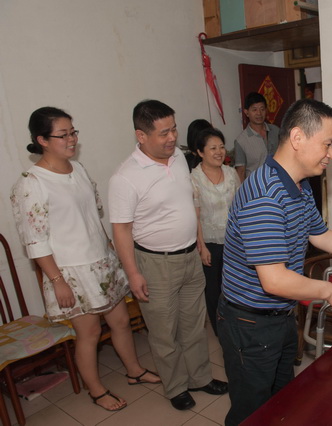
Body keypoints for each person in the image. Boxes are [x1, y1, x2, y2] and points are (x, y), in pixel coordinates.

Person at [218, 98, 332, 425]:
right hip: (250, 322)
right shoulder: (264, 196)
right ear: (297, 138)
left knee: (281, 403)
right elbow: (274, 280)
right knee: (251, 412)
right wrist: (331, 291)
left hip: (279, 313)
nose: (331, 154)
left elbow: (318, 234)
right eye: (328, 144)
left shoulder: (297, 184)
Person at [10, 107, 161, 412]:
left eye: (73, 132)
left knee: (121, 322)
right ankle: (96, 390)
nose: (72, 139)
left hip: (102, 261)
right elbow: (35, 241)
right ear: (42, 140)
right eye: (62, 135)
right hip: (70, 271)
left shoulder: (77, 168)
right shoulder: (31, 183)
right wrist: (57, 281)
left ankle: (134, 371)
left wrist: (111, 250)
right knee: (89, 333)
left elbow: (93, 216)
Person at [108, 100, 228, 411]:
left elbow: (187, 206)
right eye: (163, 133)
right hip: (155, 263)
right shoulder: (125, 177)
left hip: (190, 256)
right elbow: (121, 231)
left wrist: (199, 243)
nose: (172, 137)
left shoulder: (177, 159)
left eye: (173, 129)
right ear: (141, 135)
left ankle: (200, 378)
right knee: (164, 332)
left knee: (194, 326)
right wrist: (133, 273)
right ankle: (175, 386)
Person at [191, 127, 240, 335]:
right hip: (209, 243)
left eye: (221, 147)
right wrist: (201, 246)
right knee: (213, 290)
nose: (219, 152)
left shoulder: (231, 174)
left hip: (233, 241)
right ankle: (221, 330)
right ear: (200, 152)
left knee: (234, 286)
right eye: (213, 148)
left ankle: (236, 326)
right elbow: (195, 216)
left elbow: (239, 208)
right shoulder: (194, 178)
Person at [233, 92, 279, 181]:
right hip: (256, 186)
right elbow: (241, 172)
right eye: (254, 110)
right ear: (246, 112)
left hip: (278, 183)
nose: (259, 113)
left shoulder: (276, 131)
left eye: (262, 109)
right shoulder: (241, 141)